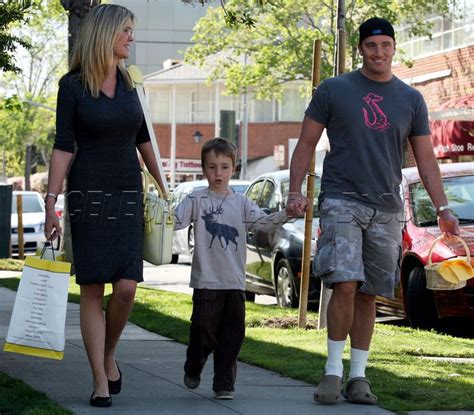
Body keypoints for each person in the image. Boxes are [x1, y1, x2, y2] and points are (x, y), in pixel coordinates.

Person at [286, 17, 459, 405]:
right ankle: (332, 372)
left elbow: (427, 160)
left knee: (369, 293)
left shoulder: (411, 99)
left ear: (394, 48)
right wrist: (295, 191)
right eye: (371, 46)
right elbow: (306, 143)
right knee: (344, 283)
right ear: (361, 49)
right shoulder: (333, 89)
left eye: (385, 45)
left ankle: (358, 377)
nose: (378, 53)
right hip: (341, 199)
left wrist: (443, 207)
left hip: (387, 207)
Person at [44, 4, 166, 408]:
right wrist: (51, 203)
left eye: (132, 31)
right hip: (87, 194)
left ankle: (109, 353)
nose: (131, 38)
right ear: (106, 34)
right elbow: (63, 147)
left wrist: (165, 188)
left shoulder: (132, 83)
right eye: (126, 31)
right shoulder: (73, 86)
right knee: (92, 288)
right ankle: (99, 377)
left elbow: (144, 137)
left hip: (127, 193)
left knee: (127, 288)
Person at [174, 138, 287, 400]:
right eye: (212, 167)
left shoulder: (241, 203)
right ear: (203, 168)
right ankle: (195, 362)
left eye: (224, 167)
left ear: (233, 168)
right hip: (206, 282)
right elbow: (175, 221)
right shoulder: (196, 199)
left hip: (235, 282)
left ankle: (224, 383)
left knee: (232, 335)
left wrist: (286, 214)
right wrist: (155, 215)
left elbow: (263, 223)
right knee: (202, 330)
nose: (218, 173)